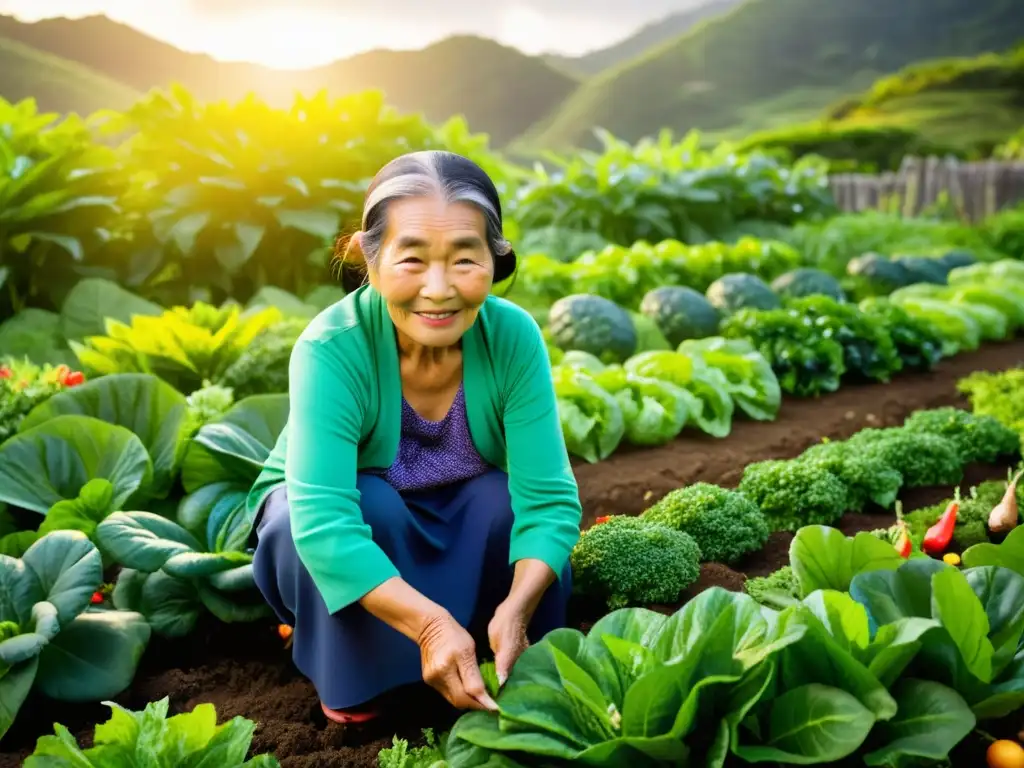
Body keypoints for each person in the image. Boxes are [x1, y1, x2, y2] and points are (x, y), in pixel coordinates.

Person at [246, 150, 583, 725]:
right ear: (367, 259)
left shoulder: (513, 337)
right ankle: (365, 673)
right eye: (412, 260)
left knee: (502, 500)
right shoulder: (332, 347)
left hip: (464, 517)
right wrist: (428, 625)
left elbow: (547, 501)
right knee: (365, 504)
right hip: (346, 524)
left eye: (464, 260)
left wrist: (519, 607)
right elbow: (323, 521)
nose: (439, 288)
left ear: (494, 260)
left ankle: (493, 636)